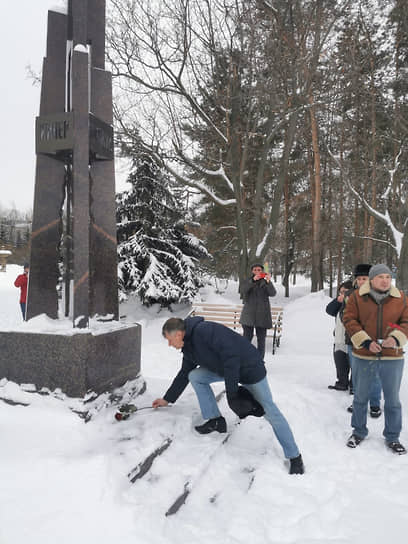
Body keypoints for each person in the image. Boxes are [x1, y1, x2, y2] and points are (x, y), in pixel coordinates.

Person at [152, 316, 304, 474]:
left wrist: (232, 394)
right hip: (227, 371)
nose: (170, 345)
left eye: (169, 340)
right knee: (195, 376)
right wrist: (167, 399)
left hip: (249, 369)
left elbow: (232, 358)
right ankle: (215, 420)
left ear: (178, 334)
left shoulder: (205, 331)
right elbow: (184, 373)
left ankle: (295, 456)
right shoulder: (188, 346)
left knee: (270, 411)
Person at [343, 264, 408, 454]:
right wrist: (365, 342)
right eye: (381, 277)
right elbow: (349, 319)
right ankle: (359, 431)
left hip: (392, 356)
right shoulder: (357, 297)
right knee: (361, 397)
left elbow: (406, 322)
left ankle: (393, 436)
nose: (385, 280)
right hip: (364, 355)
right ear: (372, 280)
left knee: (393, 400)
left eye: (388, 277)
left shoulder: (401, 298)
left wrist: (395, 338)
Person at [345, 264, 382, 417]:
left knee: (375, 375)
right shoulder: (349, 294)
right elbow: (344, 316)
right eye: (359, 278)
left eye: (364, 278)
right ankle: (358, 402)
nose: (361, 281)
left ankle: (374, 404)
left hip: (374, 342)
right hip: (353, 341)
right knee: (358, 375)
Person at [239, 263, 277, 359]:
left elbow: (272, 293)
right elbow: (242, 290)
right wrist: (252, 281)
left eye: (259, 270)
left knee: (261, 340)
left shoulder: (266, 282)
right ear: (252, 271)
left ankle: (260, 361)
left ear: (262, 271)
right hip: (248, 315)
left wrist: (268, 282)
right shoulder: (247, 281)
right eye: (255, 270)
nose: (257, 271)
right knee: (246, 339)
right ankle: (245, 359)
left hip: (262, 315)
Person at [326, 280, 353, 390]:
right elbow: (329, 310)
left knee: (354, 364)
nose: (342, 294)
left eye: (345, 292)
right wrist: (338, 301)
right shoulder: (340, 302)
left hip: (351, 339)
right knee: (340, 361)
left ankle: (354, 386)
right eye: (340, 292)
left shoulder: (356, 302)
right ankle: (342, 382)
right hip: (338, 338)